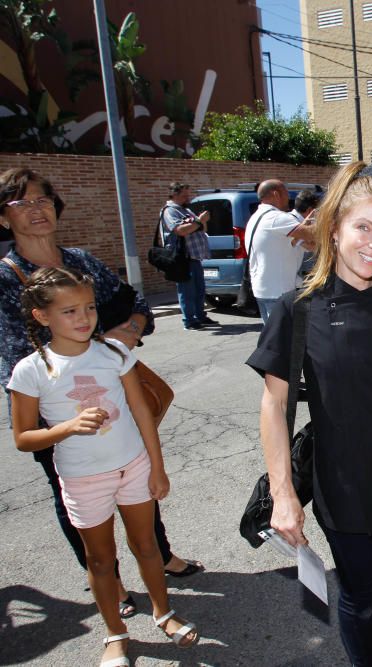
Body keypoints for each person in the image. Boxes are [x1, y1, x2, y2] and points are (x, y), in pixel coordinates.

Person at [248, 161, 372, 667]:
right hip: (343, 489)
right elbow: (275, 406)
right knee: (359, 600)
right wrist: (283, 495)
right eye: (363, 227)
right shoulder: (300, 309)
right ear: (334, 228)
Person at [0, 168, 202, 621]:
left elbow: (138, 306)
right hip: (59, 415)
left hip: (115, 402)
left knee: (139, 482)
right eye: (22, 202)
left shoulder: (82, 262)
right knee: (76, 501)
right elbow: (14, 356)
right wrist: (61, 413)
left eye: (43, 199)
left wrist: (124, 335)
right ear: (3, 218)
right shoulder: (7, 277)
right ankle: (111, 583)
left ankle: (161, 556)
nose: (37, 209)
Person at [9, 267, 199, 666]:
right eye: (69, 311)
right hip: (82, 478)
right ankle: (115, 632)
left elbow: (142, 413)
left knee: (147, 544)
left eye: (89, 307)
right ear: (42, 317)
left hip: (133, 465)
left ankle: (163, 613)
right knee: (99, 559)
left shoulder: (114, 351)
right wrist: (65, 428)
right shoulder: (30, 370)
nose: (84, 318)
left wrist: (157, 466)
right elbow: (23, 437)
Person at [245, 180, 314, 323]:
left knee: (273, 337)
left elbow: (286, 244)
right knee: (282, 339)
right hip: (277, 291)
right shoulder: (275, 218)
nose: (289, 198)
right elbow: (312, 234)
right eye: (286, 193)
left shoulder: (256, 217)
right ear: (276, 194)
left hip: (264, 289)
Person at [160, 182, 217, 331]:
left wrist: (200, 222)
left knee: (199, 290)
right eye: (185, 195)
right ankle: (189, 321)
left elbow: (201, 228)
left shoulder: (186, 210)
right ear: (174, 195)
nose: (188, 198)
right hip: (182, 258)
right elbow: (180, 230)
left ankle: (200, 316)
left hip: (194, 257)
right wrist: (199, 221)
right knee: (187, 291)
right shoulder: (170, 211)